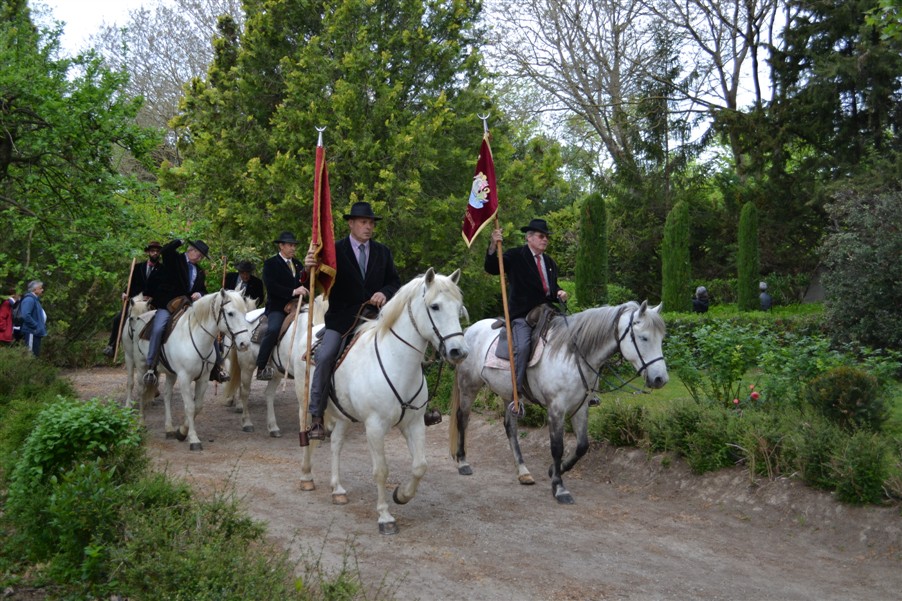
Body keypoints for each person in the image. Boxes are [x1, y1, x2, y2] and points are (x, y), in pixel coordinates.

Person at [304, 201, 402, 440]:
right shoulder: (332, 251)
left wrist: (385, 293)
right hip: (342, 319)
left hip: (375, 318)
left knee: (406, 347)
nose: (368, 227)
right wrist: (307, 268)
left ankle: (417, 407)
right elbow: (313, 279)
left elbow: (394, 282)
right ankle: (316, 416)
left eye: (370, 223)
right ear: (351, 223)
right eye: (363, 222)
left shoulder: (383, 252)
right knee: (326, 355)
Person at [485, 218, 568, 403]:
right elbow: (491, 268)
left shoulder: (550, 262)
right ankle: (517, 392)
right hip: (522, 315)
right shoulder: (515, 256)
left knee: (573, 335)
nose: (545, 239)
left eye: (546, 237)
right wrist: (493, 245)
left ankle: (574, 387)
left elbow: (550, 288)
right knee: (522, 347)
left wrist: (559, 292)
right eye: (541, 236)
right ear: (529, 237)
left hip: (548, 312)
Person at [143, 238, 228, 385]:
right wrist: (179, 241)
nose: (200, 258)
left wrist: (199, 294)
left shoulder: (199, 271)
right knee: (158, 328)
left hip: (188, 306)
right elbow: (166, 250)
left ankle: (217, 367)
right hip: (168, 304)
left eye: (202, 256)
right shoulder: (175, 259)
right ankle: (151, 366)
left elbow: (202, 289)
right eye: (199, 254)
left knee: (209, 329)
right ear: (191, 250)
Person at [255, 232, 310, 380]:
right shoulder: (270, 264)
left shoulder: (298, 264)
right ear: (281, 245)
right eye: (290, 245)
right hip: (277, 307)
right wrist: (293, 291)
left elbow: (302, 282)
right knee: (273, 330)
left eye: (294, 245)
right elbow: (271, 287)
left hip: (296, 305)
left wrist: (307, 279)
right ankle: (261, 366)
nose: (293, 248)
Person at [103, 241, 163, 357]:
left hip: (153, 302)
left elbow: (163, 287)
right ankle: (112, 345)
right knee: (118, 319)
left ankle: (159, 352)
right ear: (148, 252)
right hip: (135, 302)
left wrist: (153, 297)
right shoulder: (137, 267)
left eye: (157, 251)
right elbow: (130, 285)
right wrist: (125, 293)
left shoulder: (163, 269)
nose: (155, 253)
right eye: (152, 251)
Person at [18, 280, 47, 357]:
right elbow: (26, 315)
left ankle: (34, 368)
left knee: (35, 354)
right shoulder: (29, 299)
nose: (42, 290)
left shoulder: (35, 299)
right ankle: (28, 369)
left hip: (35, 332)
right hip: (31, 332)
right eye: (40, 288)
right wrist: (35, 326)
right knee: (30, 354)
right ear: (35, 289)